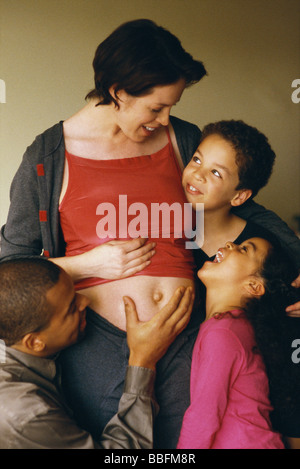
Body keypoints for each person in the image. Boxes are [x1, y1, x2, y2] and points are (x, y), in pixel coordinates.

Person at [1, 19, 300, 447]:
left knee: (191, 443)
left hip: (188, 334)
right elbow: (11, 267)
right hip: (98, 346)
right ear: (119, 92)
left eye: (172, 106)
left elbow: (246, 206)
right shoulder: (47, 156)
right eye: (156, 107)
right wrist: (89, 263)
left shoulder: (181, 141)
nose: (165, 119)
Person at [0, 257, 194, 449]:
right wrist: (143, 360)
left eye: (75, 290)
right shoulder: (26, 416)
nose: (85, 300)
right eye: (72, 308)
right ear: (35, 342)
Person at [177, 237, 300, 449]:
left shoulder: (224, 332)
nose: (229, 244)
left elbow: (203, 417)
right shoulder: (234, 327)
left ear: (253, 285)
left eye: (244, 249)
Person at [182, 119, 300, 320]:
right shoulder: (170, 233)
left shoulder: (263, 250)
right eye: (197, 160)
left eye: (216, 172)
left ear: (239, 196)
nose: (198, 174)